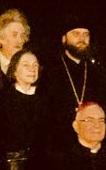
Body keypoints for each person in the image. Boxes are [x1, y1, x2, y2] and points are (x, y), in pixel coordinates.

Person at [36, 19, 98, 148]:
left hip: (91, 139)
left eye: (86, 34)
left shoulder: (96, 70)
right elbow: (44, 112)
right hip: (59, 141)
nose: (82, 39)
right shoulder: (51, 70)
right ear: (64, 39)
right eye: (76, 34)